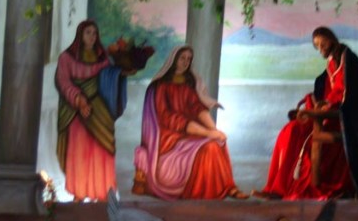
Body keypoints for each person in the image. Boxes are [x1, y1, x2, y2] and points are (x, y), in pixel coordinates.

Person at [256, 26, 358, 200]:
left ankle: (304, 187)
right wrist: (319, 103)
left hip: (344, 116)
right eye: (317, 45)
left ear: (332, 40)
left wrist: (330, 105)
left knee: (306, 136)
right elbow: (327, 92)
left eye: (323, 43)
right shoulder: (330, 64)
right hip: (328, 112)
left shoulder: (347, 59)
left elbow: (351, 92)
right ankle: (277, 188)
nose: (320, 48)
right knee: (290, 130)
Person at [132, 44, 249, 200]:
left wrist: (214, 130)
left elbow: (197, 108)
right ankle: (203, 192)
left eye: (189, 59)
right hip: (169, 137)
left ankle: (228, 187)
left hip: (189, 132)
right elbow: (167, 117)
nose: (185, 62)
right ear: (174, 60)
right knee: (209, 147)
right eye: (182, 58)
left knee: (218, 142)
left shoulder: (187, 86)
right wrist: (207, 132)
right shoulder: (159, 87)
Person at [55, 19, 130, 202]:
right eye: (88, 32)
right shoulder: (66, 58)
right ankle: (79, 192)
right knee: (80, 150)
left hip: (99, 109)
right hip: (76, 111)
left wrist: (123, 72)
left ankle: (103, 192)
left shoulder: (103, 58)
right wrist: (79, 99)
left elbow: (110, 76)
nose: (92, 37)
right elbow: (63, 81)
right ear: (80, 35)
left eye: (94, 33)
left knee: (103, 147)